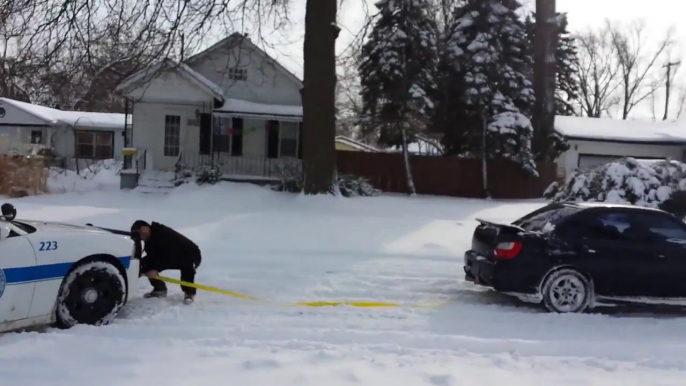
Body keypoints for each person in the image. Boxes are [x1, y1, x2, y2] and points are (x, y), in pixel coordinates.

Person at [130, 220, 202, 304]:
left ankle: (189, 292)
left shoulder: (162, 233)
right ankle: (159, 289)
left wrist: (156, 269)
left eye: (137, 234)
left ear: (144, 229)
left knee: (187, 265)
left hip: (189, 254)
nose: (138, 238)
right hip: (168, 255)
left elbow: (169, 254)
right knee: (144, 264)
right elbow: (152, 256)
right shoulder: (149, 240)